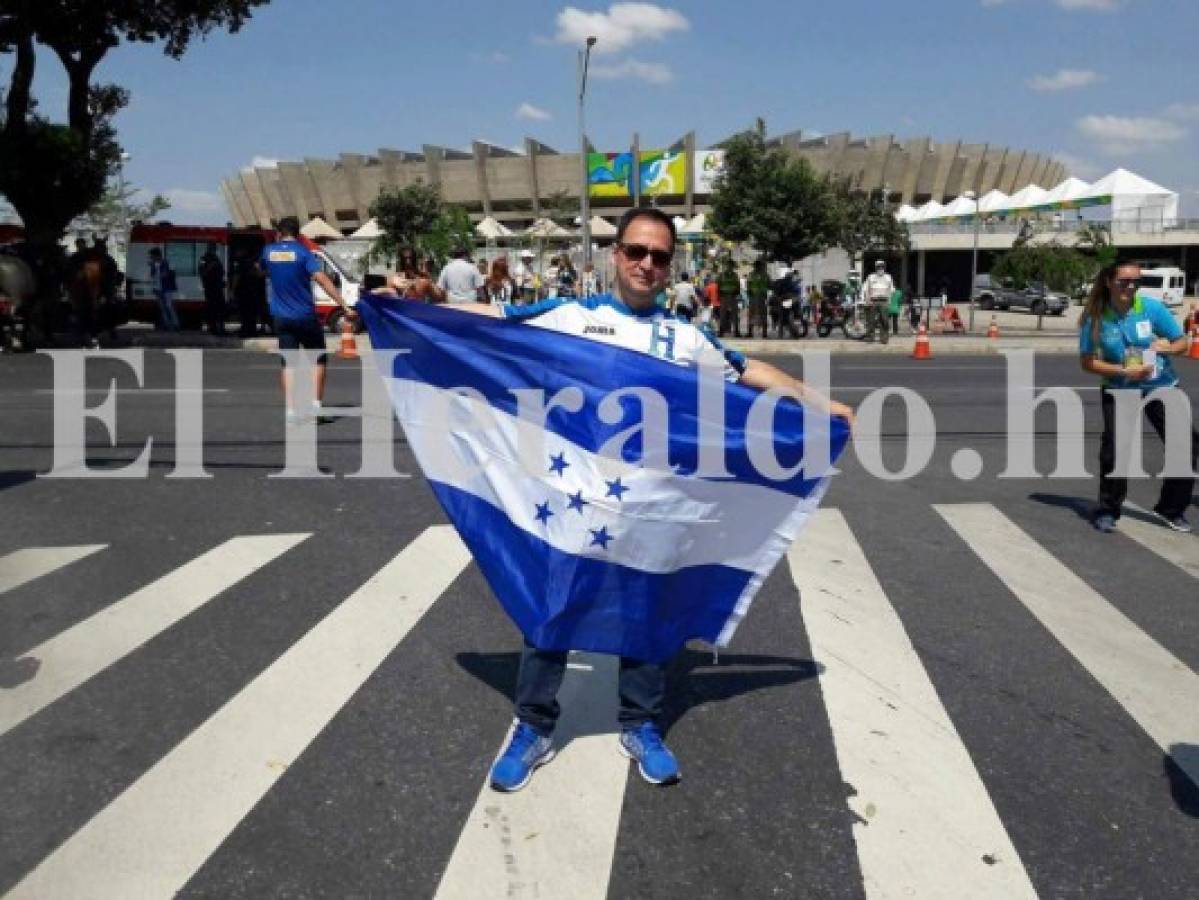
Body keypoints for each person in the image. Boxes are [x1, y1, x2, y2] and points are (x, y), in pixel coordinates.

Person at [436, 207, 854, 791]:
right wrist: (409, 312)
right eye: (636, 251)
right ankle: (533, 725)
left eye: (659, 256)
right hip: (578, 503)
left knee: (645, 613)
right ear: (616, 254)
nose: (646, 264)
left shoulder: (684, 338)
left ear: (670, 264)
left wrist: (819, 404)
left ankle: (640, 723)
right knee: (552, 608)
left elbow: (748, 369)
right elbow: (496, 318)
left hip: (651, 507)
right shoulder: (571, 316)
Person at [1080, 261, 1196, 534]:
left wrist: (1166, 347)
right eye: (1124, 281)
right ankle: (1108, 509)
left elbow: (1183, 342)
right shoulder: (1095, 316)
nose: (1130, 286)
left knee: (1186, 446)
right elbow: (1087, 362)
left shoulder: (1152, 308)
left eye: (1135, 281)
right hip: (1120, 389)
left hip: (1162, 385)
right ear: (1109, 281)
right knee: (1115, 453)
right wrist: (1121, 370)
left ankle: (1171, 509)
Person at [261, 216, 356, 425]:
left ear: (279, 233)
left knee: (288, 364)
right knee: (318, 360)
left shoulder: (268, 252)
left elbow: (260, 269)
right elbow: (322, 279)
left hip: (281, 318)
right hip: (305, 316)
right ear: (298, 233)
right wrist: (344, 305)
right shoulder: (304, 253)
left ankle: (291, 413)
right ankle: (315, 408)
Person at [231, 249, 266, 337]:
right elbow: (260, 275)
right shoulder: (254, 264)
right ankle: (251, 330)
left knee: (245, 313)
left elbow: (237, 277)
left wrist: (233, 290)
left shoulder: (241, 264)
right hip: (252, 292)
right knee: (251, 313)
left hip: (243, 291)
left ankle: (246, 330)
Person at [148, 247, 180, 332]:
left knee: (169, 306)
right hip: (158, 288)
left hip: (166, 288)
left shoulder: (165, 262)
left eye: (152, 256)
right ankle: (167, 325)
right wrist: (153, 267)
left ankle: (176, 324)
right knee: (162, 308)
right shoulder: (154, 264)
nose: (151, 258)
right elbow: (152, 275)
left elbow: (165, 274)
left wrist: (156, 269)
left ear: (157, 255)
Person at [862, 260, 895, 344]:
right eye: (879, 267)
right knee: (871, 320)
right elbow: (865, 289)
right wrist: (867, 299)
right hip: (873, 301)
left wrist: (889, 301)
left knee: (884, 320)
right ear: (876, 268)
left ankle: (884, 339)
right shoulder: (871, 277)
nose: (880, 269)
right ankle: (870, 337)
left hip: (884, 301)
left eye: (882, 267)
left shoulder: (888, 277)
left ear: (884, 267)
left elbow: (891, 290)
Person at [198, 242, 227, 335]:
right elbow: (202, 272)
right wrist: (210, 267)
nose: (213, 250)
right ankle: (213, 328)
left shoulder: (216, 259)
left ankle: (221, 327)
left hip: (218, 287)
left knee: (221, 308)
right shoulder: (204, 259)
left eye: (214, 248)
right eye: (212, 248)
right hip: (209, 287)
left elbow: (221, 271)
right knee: (211, 309)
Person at [716, 260, 741, 338]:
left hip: (733, 296)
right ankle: (721, 331)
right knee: (722, 314)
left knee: (735, 314)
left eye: (731, 266)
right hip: (724, 296)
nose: (730, 267)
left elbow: (738, 286)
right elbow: (718, 285)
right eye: (728, 265)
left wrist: (736, 293)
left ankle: (736, 331)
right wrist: (720, 295)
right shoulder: (721, 275)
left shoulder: (735, 275)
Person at [745, 259, 770, 339]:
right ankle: (750, 332)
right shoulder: (752, 275)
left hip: (761, 297)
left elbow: (770, 284)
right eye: (757, 266)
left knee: (762, 314)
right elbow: (748, 285)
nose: (758, 267)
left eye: (759, 266)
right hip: (754, 297)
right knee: (752, 314)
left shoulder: (765, 275)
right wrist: (749, 293)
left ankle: (764, 333)